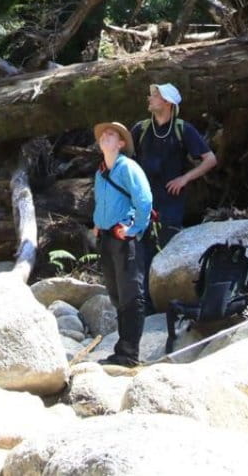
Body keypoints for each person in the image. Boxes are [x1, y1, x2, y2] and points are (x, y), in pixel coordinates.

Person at [91, 120, 154, 367]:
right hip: (106, 238)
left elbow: (145, 199)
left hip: (124, 238)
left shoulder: (128, 168)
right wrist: (96, 223)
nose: (105, 137)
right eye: (103, 135)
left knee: (131, 295)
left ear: (121, 143)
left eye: (111, 135)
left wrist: (135, 228)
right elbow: (100, 201)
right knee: (116, 294)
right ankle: (122, 349)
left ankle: (129, 353)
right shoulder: (100, 172)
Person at [129, 83, 217, 255]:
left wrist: (184, 179)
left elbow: (210, 159)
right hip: (141, 202)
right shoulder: (141, 128)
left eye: (155, 95)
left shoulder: (183, 129)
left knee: (166, 251)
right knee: (141, 253)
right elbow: (126, 160)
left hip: (170, 204)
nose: (149, 98)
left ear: (168, 102)